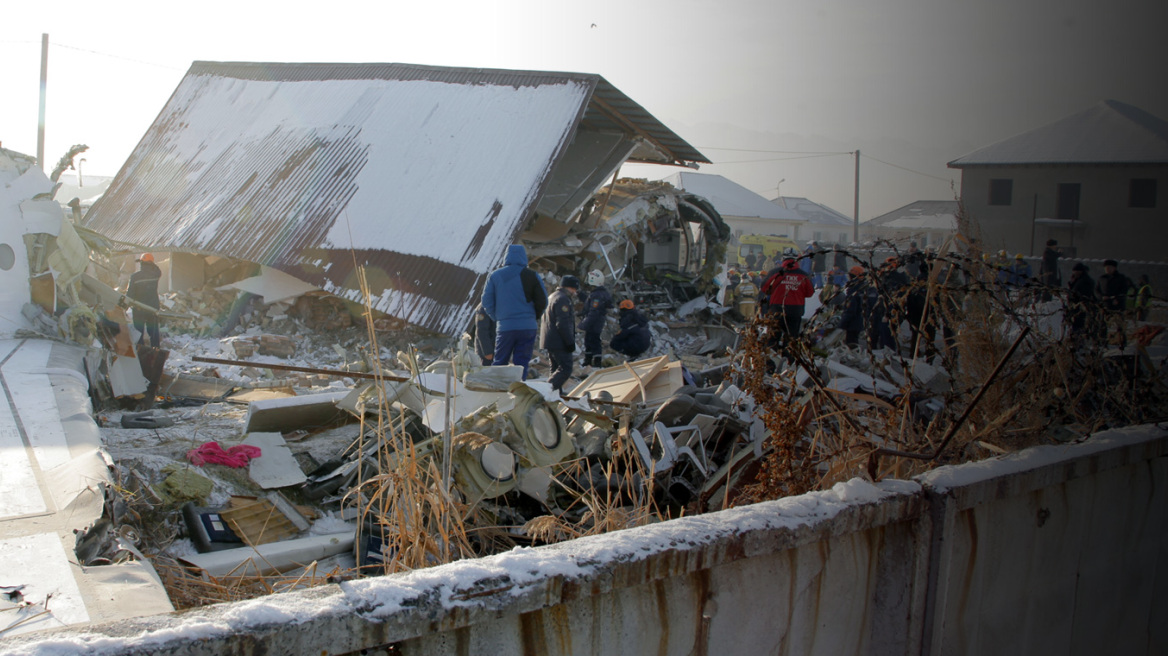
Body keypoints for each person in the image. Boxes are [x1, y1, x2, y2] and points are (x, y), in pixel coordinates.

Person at [482, 244, 547, 380]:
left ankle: (498, 393)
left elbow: (486, 301)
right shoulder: (532, 275)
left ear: (506, 257)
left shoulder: (495, 276)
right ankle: (518, 391)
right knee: (521, 364)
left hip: (505, 327)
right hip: (528, 327)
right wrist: (533, 316)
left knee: (500, 362)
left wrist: (498, 317)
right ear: (524, 257)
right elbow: (543, 301)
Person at [760, 254, 815, 340]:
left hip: (776, 308)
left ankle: (772, 351)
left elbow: (764, 288)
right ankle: (788, 352)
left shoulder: (774, 272)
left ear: (783, 259)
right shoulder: (803, 275)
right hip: (795, 309)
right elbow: (810, 293)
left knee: (773, 337)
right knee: (791, 337)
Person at [540, 275, 578, 393]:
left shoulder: (552, 296)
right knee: (566, 368)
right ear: (570, 287)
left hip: (550, 340)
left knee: (555, 369)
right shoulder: (563, 299)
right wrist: (570, 342)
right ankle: (545, 392)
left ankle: (555, 395)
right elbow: (562, 324)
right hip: (559, 341)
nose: (575, 292)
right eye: (574, 289)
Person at [578, 269, 613, 368]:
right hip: (596, 321)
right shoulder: (598, 293)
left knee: (593, 340)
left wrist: (584, 324)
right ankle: (588, 361)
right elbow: (590, 303)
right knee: (589, 340)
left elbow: (594, 311)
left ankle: (596, 362)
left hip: (595, 322)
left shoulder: (597, 295)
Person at [126, 253, 162, 348]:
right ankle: (156, 351)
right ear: (151, 264)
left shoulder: (135, 277)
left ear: (141, 263)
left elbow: (129, 295)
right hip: (153, 308)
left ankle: (140, 352)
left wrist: (126, 306)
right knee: (154, 333)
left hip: (139, 309)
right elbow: (158, 270)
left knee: (138, 333)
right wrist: (152, 264)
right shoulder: (155, 275)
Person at [1096, 259, 1133, 346]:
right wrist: (1101, 297)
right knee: (1102, 324)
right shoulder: (1102, 278)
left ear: (1114, 268)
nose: (1107, 269)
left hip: (1117, 305)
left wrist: (1117, 299)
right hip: (1105, 305)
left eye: (1109, 267)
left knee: (1119, 325)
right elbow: (1097, 290)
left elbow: (1124, 290)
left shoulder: (1121, 278)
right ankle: (1102, 342)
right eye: (1106, 267)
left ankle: (1122, 341)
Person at [1066, 262, 1095, 339]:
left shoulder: (1085, 280)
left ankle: (1078, 341)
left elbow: (1083, 293)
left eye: (1076, 271)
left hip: (1080, 306)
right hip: (1075, 306)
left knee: (1078, 324)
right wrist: (1071, 284)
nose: (1074, 272)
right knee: (1075, 324)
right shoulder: (1078, 279)